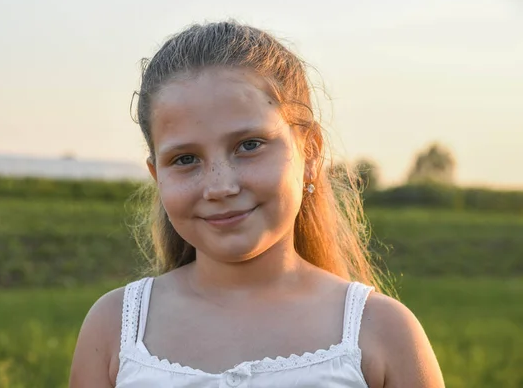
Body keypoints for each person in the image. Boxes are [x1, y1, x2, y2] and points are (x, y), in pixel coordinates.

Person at [69, 21, 444, 388]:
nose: (220, 186)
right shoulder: (117, 328)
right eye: (185, 159)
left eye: (249, 145)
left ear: (310, 151)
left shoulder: (381, 332)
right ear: (157, 175)